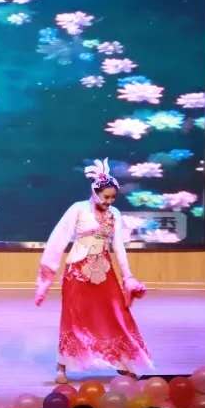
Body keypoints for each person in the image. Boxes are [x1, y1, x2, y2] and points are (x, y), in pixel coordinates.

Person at [35, 158, 152, 383]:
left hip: (104, 272)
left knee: (116, 314)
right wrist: (46, 279)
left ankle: (122, 361)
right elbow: (58, 239)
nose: (109, 201)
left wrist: (128, 276)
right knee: (73, 318)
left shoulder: (114, 214)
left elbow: (118, 247)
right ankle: (62, 366)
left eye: (113, 197)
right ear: (95, 192)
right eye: (105, 197)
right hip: (77, 272)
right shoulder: (78, 209)